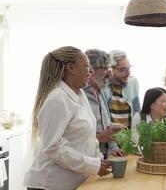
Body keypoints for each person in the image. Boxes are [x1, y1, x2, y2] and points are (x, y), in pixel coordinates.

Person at [24, 46, 110, 190]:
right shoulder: (57, 99)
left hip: (75, 182)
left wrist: (99, 159)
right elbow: (53, 146)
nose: (90, 71)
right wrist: (92, 165)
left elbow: (87, 137)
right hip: (50, 184)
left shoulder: (79, 95)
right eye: (87, 66)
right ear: (71, 68)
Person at [83, 49, 124, 159]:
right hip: (86, 158)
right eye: (105, 68)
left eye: (109, 68)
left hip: (102, 157)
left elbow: (106, 124)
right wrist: (100, 137)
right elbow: (73, 138)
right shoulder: (79, 95)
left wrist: (113, 148)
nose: (110, 74)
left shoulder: (99, 91)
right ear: (90, 69)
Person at [102, 50, 140, 129]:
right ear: (111, 69)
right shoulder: (102, 86)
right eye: (123, 69)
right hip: (111, 138)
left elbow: (137, 110)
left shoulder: (133, 82)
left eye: (129, 68)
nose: (128, 73)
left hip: (130, 137)